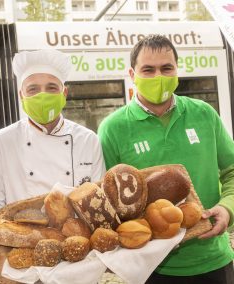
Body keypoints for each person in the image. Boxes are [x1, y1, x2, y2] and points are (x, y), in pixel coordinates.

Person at [98, 34, 234, 284]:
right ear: (132, 74)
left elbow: (232, 171)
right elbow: (107, 200)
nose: (158, 76)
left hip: (215, 260)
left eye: (166, 68)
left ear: (176, 71)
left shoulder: (204, 114)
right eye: (148, 70)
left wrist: (228, 209)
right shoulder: (113, 128)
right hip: (152, 269)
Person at [0, 49, 105, 273]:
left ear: (64, 92)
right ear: (21, 95)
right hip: (22, 253)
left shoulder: (88, 140)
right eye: (33, 89)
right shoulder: (2, 141)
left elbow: (98, 202)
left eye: (51, 88)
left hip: (77, 258)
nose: (42, 95)